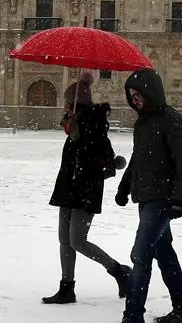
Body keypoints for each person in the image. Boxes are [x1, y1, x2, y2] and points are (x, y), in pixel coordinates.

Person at [105, 68, 182, 323]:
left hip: (163, 200)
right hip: (146, 198)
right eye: (131, 96)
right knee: (164, 253)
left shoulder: (172, 121)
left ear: (150, 92)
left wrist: (179, 198)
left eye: (138, 95)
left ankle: (133, 320)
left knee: (140, 256)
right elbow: (138, 159)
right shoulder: (142, 124)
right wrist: (124, 187)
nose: (135, 100)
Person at [42, 72, 132, 305]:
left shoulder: (93, 127)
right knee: (64, 239)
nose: (63, 105)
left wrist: (83, 145)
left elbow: (105, 160)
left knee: (78, 241)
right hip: (67, 189)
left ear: (74, 103)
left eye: (67, 101)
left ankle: (118, 270)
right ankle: (67, 287)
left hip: (85, 190)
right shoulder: (72, 126)